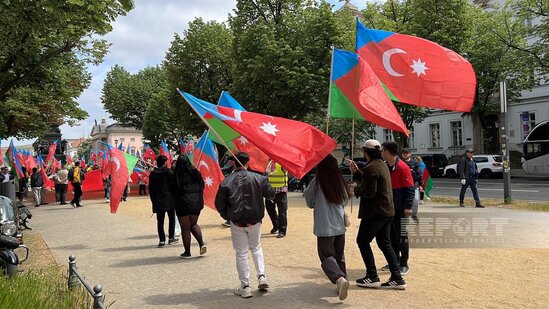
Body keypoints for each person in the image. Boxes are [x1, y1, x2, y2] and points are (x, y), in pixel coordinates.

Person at [215, 152, 275, 299]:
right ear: (248, 163)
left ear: (234, 163)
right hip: (255, 219)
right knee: (256, 247)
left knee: (241, 253)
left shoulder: (227, 181)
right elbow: (271, 193)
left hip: (237, 221)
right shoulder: (259, 178)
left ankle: (245, 286)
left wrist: (227, 216)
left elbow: (219, 204)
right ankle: (261, 276)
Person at [349, 140, 406, 290]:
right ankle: (397, 277)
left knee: (362, 241)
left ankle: (372, 276)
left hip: (375, 212)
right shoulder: (381, 165)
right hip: (386, 211)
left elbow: (369, 192)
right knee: (384, 243)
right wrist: (357, 173)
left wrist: (354, 189)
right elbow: (371, 180)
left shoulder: (372, 167)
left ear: (366, 152)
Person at [304, 154, 350, 301]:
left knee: (326, 256)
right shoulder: (340, 181)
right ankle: (342, 281)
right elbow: (345, 201)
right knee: (339, 255)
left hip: (324, 225)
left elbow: (310, 202)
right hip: (339, 225)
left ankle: (339, 279)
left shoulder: (316, 182)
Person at [382, 141, 415, 276]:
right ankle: (393, 260)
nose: (381, 153)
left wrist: (408, 206)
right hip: (390, 207)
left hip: (400, 207)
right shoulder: (386, 166)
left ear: (388, 152)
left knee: (401, 235)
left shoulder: (402, 167)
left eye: (383, 150)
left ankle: (403, 263)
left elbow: (409, 188)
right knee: (391, 235)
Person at [173, 155, 206, 258]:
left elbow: (173, 189)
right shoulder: (196, 173)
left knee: (185, 228)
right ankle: (201, 243)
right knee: (194, 224)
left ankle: (187, 252)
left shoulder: (176, 176)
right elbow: (202, 186)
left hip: (182, 203)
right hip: (196, 202)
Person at [149, 155, 178, 247]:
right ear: (165, 162)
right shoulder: (169, 172)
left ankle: (161, 240)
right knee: (172, 219)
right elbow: (175, 183)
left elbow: (150, 188)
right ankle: (171, 238)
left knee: (160, 221)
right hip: (169, 198)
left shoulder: (153, 174)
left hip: (158, 199)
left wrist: (153, 200)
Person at [265, 160, 288, 238]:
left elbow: (286, 170)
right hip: (270, 191)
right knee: (270, 210)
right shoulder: (270, 163)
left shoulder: (282, 163)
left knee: (282, 212)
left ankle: (282, 230)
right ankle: (276, 225)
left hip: (281, 190)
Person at [401, 149, 422, 221]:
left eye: (406, 153)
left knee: (415, 200)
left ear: (410, 154)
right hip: (403, 185)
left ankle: (414, 215)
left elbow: (419, 175)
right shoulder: (400, 162)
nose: (405, 154)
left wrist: (420, 185)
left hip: (413, 184)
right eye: (403, 153)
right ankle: (405, 217)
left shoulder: (415, 163)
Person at [221, 156, 237, 227]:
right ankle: (229, 219)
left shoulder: (239, 170)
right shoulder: (228, 169)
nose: (228, 162)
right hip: (229, 190)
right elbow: (221, 170)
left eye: (229, 161)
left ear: (234, 162)